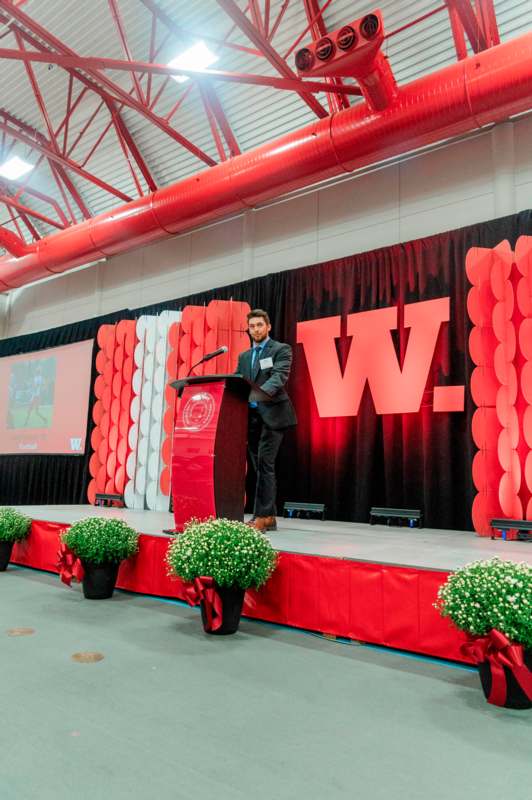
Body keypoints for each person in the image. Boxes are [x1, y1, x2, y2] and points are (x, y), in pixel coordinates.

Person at [237, 309, 297, 532]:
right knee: (259, 468)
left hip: (274, 416)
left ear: (268, 326)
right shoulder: (244, 357)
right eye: (252, 326)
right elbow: (238, 381)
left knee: (265, 465)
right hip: (251, 419)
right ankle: (269, 516)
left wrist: (256, 395)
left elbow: (278, 377)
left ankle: (262, 517)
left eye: (259, 325)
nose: (256, 330)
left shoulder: (281, 349)